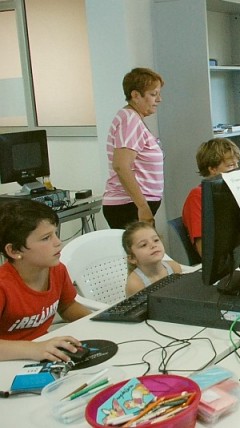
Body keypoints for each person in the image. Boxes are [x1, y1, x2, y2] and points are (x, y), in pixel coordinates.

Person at [0, 199, 91, 362]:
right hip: (10, 361)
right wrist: (34, 348)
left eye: (55, 234)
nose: (58, 242)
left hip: (41, 353)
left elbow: (67, 305)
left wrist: (96, 320)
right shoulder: (3, 285)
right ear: (13, 250)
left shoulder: (57, 270)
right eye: (46, 238)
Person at [102, 67, 165, 229]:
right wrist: (143, 207)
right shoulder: (129, 120)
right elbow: (121, 165)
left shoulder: (133, 118)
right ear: (135, 95)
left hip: (133, 205)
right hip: (129, 206)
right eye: (153, 94)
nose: (159, 100)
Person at [182, 138, 240, 255]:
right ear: (213, 169)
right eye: (230, 166)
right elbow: (205, 250)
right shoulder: (198, 196)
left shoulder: (233, 191)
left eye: (237, 164)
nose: (237, 170)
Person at [122, 221, 183, 297]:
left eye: (156, 240)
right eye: (144, 245)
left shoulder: (174, 267)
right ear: (132, 258)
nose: (153, 245)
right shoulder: (135, 283)